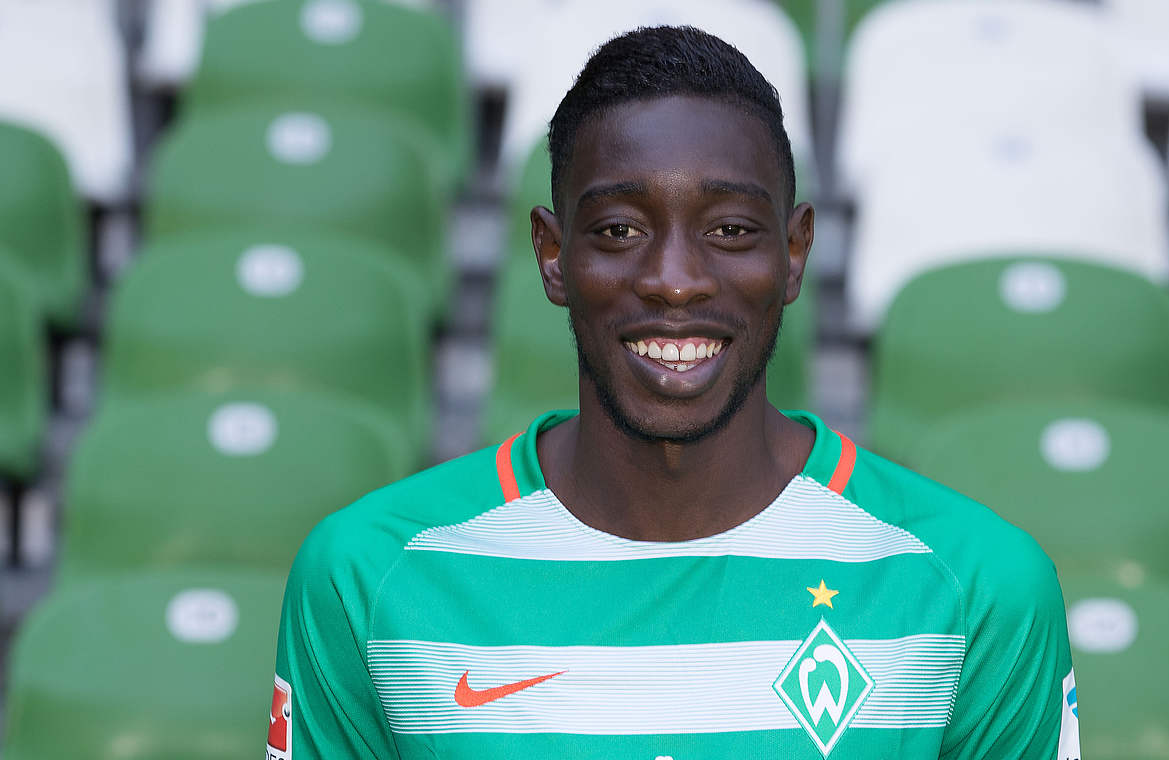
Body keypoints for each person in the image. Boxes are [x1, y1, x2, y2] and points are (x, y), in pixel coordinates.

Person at [270, 25, 1080, 759]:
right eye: (620, 229)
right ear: (553, 257)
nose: (675, 281)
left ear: (794, 254)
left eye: (730, 230)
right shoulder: (371, 577)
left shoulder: (973, 587)